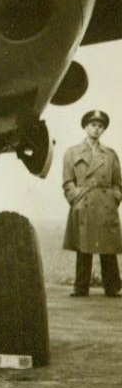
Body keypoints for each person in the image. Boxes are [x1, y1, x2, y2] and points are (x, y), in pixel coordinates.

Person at [61, 109, 122, 297]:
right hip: (84, 202)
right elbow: (67, 181)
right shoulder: (72, 153)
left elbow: (118, 183)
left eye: (100, 126)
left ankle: (113, 287)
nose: (96, 129)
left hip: (105, 205)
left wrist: (114, 198)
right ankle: (81, 287)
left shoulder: (110, 155)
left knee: (108, 248)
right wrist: (76, 199)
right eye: (93, 125)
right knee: (83, 246)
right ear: (85, 127)